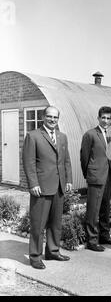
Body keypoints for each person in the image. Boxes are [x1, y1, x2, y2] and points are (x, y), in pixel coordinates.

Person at [22, 106, 72, 269]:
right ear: (43, 117)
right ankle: (35, 256)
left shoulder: (62, 137)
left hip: (58, 186)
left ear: (58, 119)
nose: (52, 120)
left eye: (55, 117)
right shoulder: (33, 136)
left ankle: (53, 251)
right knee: (38, 222)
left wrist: (69, 179)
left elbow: (66, 161)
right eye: (49, 117)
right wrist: (33, 183)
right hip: (41, 187)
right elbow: (28, 162)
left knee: (55, 222)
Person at [80, 106, 111, 252]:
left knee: (105, 207)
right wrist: (89, 174)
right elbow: (84, 157)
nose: (105, 120)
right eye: (103, 117)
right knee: (93, 210)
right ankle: (92, 240)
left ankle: (104, 235)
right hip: (96, 177)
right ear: (98, 118)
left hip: (108, 176)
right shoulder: (90, 134)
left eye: (108, 118)